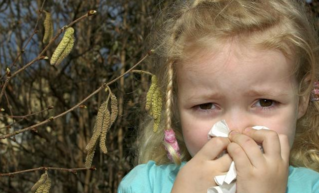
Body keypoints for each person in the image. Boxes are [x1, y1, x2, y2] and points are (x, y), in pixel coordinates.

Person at [118, 0, 319, 192]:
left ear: (301, 98)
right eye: (206, 106)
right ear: (175, 106)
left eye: (265, 102)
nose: (235, 130)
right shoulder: (144, 185)